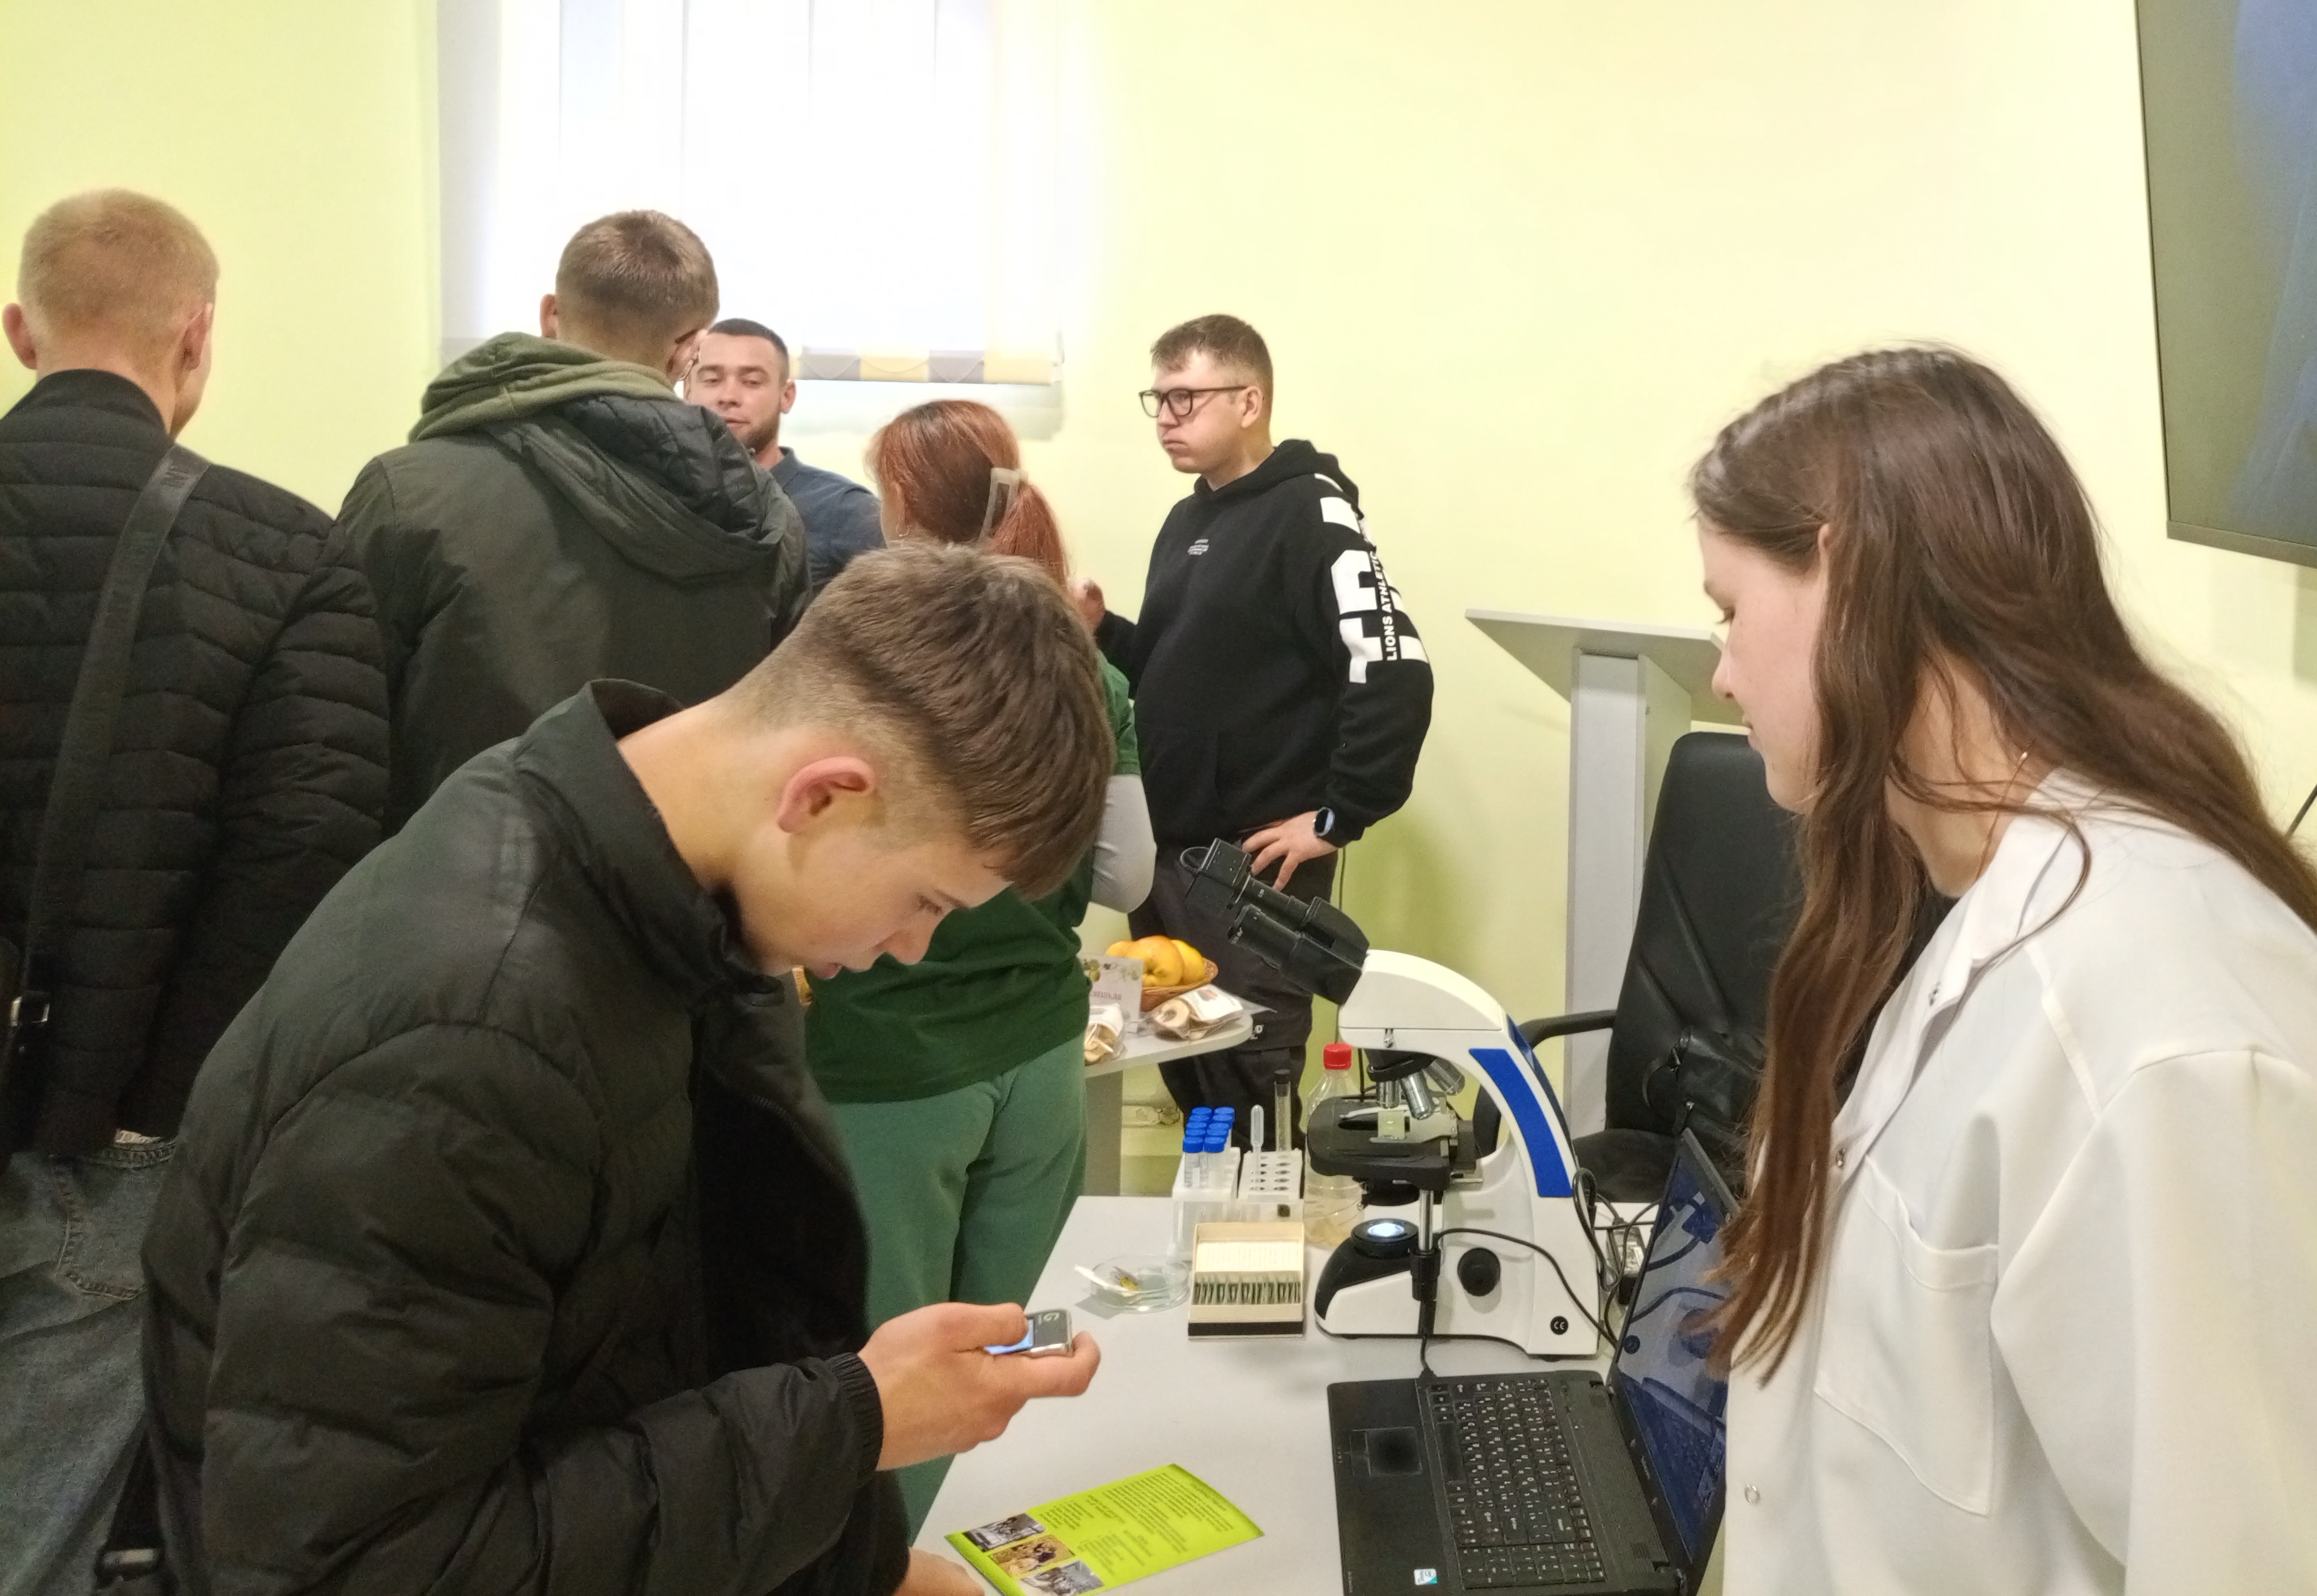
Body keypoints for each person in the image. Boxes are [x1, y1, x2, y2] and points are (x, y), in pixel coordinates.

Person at [138, 544, 1113, 1596]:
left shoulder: (670, 889)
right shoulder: (468, 1038)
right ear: (823, 795)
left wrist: (860, 1565)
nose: (910, 948)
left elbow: (678, 1334)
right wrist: (851, 1420)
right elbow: (358, 1565)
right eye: (925, 901)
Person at [1698, 348, 2317, 1594]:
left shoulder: (2171, 1045)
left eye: (1729, 611)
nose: (1721, 671)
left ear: (1844, 575)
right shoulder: (1981, 914)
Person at [0, 191, 388, 1596]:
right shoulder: (284, 551)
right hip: (112, 1131)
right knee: (35, 1532)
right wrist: (160, 1110)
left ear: (20, 329)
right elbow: (307, 857)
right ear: (198, 337)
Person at [807, 399, 1154, 1525]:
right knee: (1023, 1333)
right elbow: (1129, 872)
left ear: (901, 503)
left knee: (898, 1358)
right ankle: (1015, 1546)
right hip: (1044, 1051)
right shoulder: (1087, 668)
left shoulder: (868, 667)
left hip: (892, 1060)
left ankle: (902, 1561)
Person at [1078, 314, 1431, 1146]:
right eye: (1158, 399)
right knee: (1187, 1076)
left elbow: (1393, 666)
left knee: (1252, 1086)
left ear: (1249, 400)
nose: (1166, 417)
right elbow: (1179, 671)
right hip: (1167, 850)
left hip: (1250, 867)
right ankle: (1211, 1230)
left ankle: (1265, 1230)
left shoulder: (1312, 512)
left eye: (1186, 397)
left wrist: (1338, 816)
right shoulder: (1188, 518)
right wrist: (1103, 631)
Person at [340, 210, 810, 826]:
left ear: (550, 314)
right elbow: (778, 740)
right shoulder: (767, 518)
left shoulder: (406, 490)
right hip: (676, 878)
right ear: (690, 347)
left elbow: (339, 728)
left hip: (453, 869)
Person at [687, 317, 884, 594]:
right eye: (712, 380)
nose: (728, 396)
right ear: (687, 391)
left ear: (787, 396)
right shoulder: (657, 496)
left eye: (751, 381)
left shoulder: (842, 511)